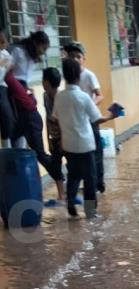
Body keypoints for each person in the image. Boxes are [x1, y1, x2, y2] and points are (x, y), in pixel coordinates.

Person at [53, 59, 118, 218]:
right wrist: (111, 115)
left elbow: (55, 118)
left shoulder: (59, 97)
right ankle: (90, 211)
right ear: (77, 75)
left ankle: (71, 204)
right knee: (90, 178)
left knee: (73, 175)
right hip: (85, 144)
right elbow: (97, 119)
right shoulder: (82, 97)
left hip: (68, 144)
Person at [63, 41, 107, 193]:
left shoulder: (88, 75)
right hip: (76, 124)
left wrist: (90, 106)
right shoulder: (68, 79)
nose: (75, 59)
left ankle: (97, 184)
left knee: (96, 153)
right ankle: (84, 193)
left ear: (83, 58)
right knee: (78, 160)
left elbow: (100, 95)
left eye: (78, 56)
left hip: (90, 119)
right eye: (72, 56)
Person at [10, 30, 49, 148]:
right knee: (27, 116)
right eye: (43, 48)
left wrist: (27, 88)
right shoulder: (18, 51)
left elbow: (25, 77)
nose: (43, 52)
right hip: (13, 86)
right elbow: (5, 70)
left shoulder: (33, 59)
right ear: (36, 43)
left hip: (24, 87)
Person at [42, 67, 66, 202]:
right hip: (54, 137)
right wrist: (48, 137)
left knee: (73, 165)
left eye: (44, 80)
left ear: (47, 82)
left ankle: (71, 192)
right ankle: (61, 194)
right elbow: (47, 116)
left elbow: (64, 120)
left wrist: (63, 139)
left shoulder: (61, 98)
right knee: (56, 165)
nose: (43, 83)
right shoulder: (45, 96)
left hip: (65, 136)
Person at [0, 31, 14, 148]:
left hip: (4, 90)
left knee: (8, 120)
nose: (2, 43)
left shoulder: (6, 54)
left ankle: (8, 151)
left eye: (3, 41)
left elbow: (10, 67)